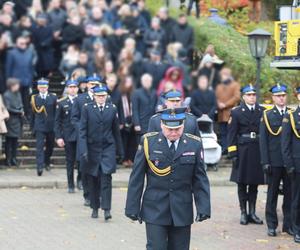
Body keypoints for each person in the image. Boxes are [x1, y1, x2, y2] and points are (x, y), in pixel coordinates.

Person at [125, 107, 211, 250]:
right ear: (161, 125)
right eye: (169, 129)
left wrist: (203, 207)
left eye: (177, 129)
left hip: (182, 208)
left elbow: (199, 178)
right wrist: (132, 207)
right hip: (155, 207)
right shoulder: (148, 142)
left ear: (183, 125)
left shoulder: (194, 143)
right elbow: (137, 177)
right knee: (156, 247)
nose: (173, 133)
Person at [79, 84, 123, 220]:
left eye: (103, 96)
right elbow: (82, 131)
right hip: (92, 148)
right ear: (94, 97)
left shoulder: (112, 108)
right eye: (99, 96)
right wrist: (83, 149)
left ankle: (107, 209)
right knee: (93, 179)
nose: (101, 98)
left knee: (106, 178)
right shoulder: (87, 108)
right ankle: (94, 207)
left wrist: (120, 150)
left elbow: (116, 131)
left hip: (107, 147)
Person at [227, 84, 264, 225]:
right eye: (249, 95)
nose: (252, 97)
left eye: (254, 94)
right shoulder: (236, 112)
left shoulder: (261, 110)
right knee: (241, 183)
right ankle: (243, 212)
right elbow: (231, 134)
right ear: (243, 97)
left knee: (254, 184)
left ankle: (252, 212)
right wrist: (233, 153)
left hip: (256, 150)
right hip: (242, 151)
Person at [259, 84, 292, 237]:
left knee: (290, 194)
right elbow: (263, 141)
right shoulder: (267, 115)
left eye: (283, 95)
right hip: (274, 161)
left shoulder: (292, 114)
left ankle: (288, 225)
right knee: (272, 194)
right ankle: (272, 225)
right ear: (273, 98)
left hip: (289, 162)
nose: (281, 98)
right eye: (278, 95)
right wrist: (265, 161)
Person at [71, 75, 101, 206]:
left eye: (96, 83)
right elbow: (74, 118)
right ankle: (87, 195)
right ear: (86, 85)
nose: (93, 86)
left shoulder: (104, 98)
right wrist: (83, 129)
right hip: (84, 139)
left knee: (99, 168)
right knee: (84, 167)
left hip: (99, 140)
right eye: (91, 83)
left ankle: (98, 195)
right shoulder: (80, 99)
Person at [281, 86, 300, 244]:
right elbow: (285, 145)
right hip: (297, 166)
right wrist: (289, 166)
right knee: (297, 199)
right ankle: (297, 229)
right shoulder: (291, 117)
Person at [55, 79, 80, 193]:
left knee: (81, 160)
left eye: (74, 87)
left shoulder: (82, 101)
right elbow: (57, 122)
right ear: (67, 89)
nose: (73, 89)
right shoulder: (61, 103)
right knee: (70, 161)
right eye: (70, 87)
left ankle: (80, 181)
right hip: (68, 136)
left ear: (78, 88)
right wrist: (59, 137)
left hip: (80, 136)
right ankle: (71, 184)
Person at [30, 78, 57, 176]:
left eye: (44, 87)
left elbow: (56, 112)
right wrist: (32, 127)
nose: (43, 89)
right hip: (39, 126)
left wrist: (57, 126)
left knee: (50, 146)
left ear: (47, 87)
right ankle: (39, 166)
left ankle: (47, 161)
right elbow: (32, 114)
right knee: (39, 147)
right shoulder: (34, 98)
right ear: (38, 87)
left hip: (51, 126)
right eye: (41, 87)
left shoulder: (53, 97)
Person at [5, 35, 34, 120]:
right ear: (17, 44)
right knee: (15, 100)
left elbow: (31, 68)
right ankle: (16, 116)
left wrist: (30, 82)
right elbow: (8, 68)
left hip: (26, 81)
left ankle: (26, 116)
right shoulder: (11, 53)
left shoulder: (29, 53)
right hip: (14, 83)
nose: (23, 45)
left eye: (25, 44)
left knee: (26, 100)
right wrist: (9, 83)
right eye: (21, 44)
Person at [215, 68, 240, 154]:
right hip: (221, 113)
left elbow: (236, 97)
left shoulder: (235, 85)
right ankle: (224, 148)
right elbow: (215, 97)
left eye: (225, 75)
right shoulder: (218, 86)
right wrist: (218, 104)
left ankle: (231, 149)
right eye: (222, 75)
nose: (223, 77)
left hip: (231, 112)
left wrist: (225, 104)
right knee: (222, 132)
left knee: (231, 132)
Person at [132, 74, 157, 144]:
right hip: (141, 123)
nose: (147, 82)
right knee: (141, 145)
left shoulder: (154, 92)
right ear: (142, 82)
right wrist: (136, 124)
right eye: (145, 80)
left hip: (152, 124)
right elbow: (135, 109)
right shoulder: (136, 93)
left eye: (149, 81)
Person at [3, 78, 23, 167]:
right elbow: (8, 108)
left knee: (15, 141)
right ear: (12, 85)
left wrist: (21, 109)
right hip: (10, 120)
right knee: (9, 141)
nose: (18, 86)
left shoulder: (18, 94)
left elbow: (21, 104)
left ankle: (14, 158)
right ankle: (8, 159)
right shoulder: (6, 95)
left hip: (18, 120)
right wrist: (18, 111)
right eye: (16, 85)